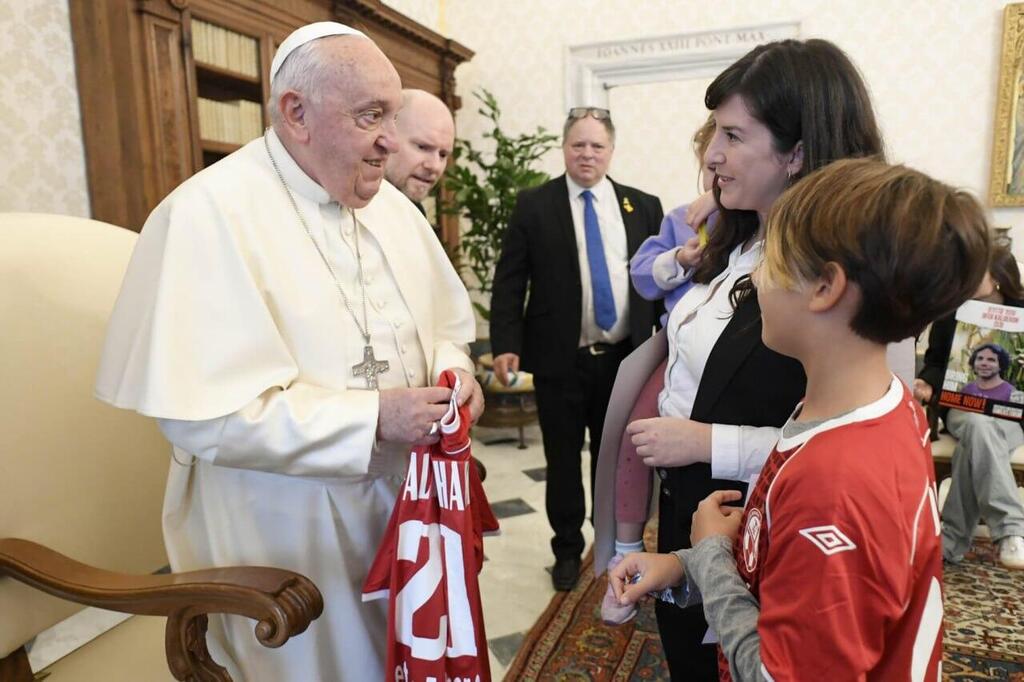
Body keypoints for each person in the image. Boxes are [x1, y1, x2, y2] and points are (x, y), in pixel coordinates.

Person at [94, 22, 482, 682]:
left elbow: (446, 325)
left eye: (391, 113)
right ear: (296, 114)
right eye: (371, 116)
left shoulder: (389, 207)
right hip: (285, 529)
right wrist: (373, 420)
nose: (390, 139)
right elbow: (203, 416)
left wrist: (458, 375)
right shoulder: (206, 215)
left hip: (408, 507)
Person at [612, 158, 991, 681]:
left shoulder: (835, 484)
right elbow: (794, 560)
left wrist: (712, 554)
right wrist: (686, 565)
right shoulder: (872, 407)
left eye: (769, 262)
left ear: (824, 288)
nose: (750, 281)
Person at [620, 39, 886, 679]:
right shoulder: (733, 237)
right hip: (696, 506)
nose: (711, 154)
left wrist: (706, 441)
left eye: (734, 135)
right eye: (715, 131)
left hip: (763, 520)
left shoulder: (841, 277)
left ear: (797, 152)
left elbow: (847, 447)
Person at [489, 107, 663, 590]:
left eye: (597, 145)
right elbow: (510, 280)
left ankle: (609, 545)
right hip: (559, 359)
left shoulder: (641, 206)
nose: (587, 154)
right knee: (563, 460)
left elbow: (660, 278)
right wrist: (506, 343)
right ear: (564, 147)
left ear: (611, 150)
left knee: (613, 458)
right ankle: (566, 550)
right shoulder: (534, 204)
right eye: (578, 144)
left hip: (623, 361)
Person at [599, 115, 716, 623]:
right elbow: (645, 277)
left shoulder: (764, 221)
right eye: (710, 164)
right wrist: (682, 257)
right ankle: (625, 547)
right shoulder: (679, 218)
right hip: (676, 352)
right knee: (635, 431)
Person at [915, 246, 1024, 569]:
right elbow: (935, 362)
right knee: (976, 424)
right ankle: (1011, 532)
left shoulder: (1022, 311)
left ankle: (950, 542)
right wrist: (928, 384)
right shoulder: (951, 311)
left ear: (999, 278)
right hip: (962, 406)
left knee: (973, 445)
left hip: (1009, 415)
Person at [385, 88, 456, 212]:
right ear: (385, 137)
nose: (435, 166)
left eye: (443, 155)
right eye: (423, 147)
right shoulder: (346, 209)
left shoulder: (416, 213)